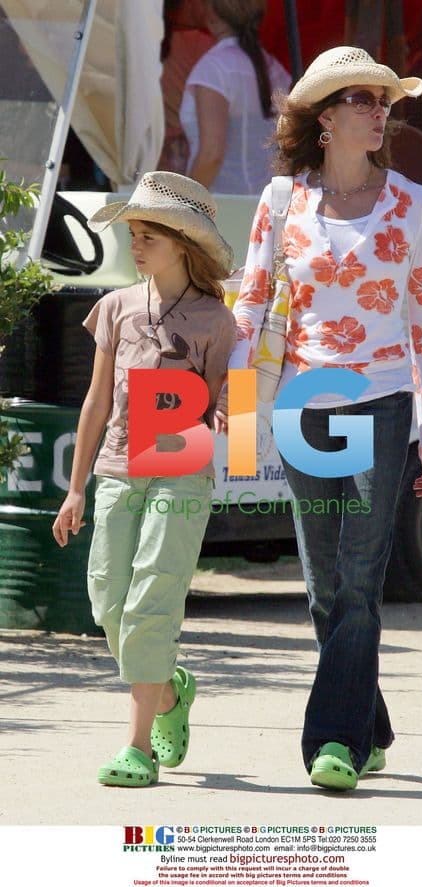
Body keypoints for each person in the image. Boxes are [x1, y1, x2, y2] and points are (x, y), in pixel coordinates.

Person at [216, 46, 422, 790]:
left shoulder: (412, 202)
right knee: (322, 584)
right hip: (303, 402)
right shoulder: (282, 202)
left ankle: (333, 741)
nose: (380, 111)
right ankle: (370, 721)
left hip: (380, 401)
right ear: (324, 118)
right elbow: (250, 306)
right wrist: (240, 408)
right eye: (361, 99)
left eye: (385, 99)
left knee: (359, 574)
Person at [52, 171, 236, 786]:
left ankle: (137, 748)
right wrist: (76, 487)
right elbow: (96, 402)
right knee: (108, 601)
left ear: (181, 242)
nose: (136, 245)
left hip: (179, 466)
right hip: (114, 468)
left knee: (153, 600)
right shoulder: (114, 307)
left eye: (147, 236)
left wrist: (233, 410)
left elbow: (225, 405)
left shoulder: (216, 318)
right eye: (132, 234)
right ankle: (168, 692)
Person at [179, 0, 290, 194]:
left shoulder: (214, 68)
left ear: (212, 13)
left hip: (220, 208)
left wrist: (183, 203)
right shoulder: (276, 70)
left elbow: (212, 155)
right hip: (267, 207)